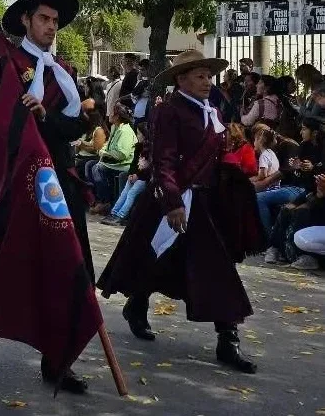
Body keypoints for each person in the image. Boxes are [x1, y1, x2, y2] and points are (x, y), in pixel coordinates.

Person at [98, 49, 264, 375]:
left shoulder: (213, 111)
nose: (207, 82)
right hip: (174, 200)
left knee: (215, 268)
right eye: (200, 76)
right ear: (181, 79)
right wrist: (172, 201)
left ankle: (227, 338)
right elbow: (164, 160)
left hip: (206, 203)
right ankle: (138, 303)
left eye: (208, 76)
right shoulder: (170, 111)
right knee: (157, 257)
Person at [0, 0, 97, 394]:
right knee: (8, 249)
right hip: (22, 176)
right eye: (44, 19)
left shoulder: (63, 70)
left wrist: (47, 120)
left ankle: (58, 358)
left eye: (55, 21)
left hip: (60, 176)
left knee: (70, 262)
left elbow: (79, 126)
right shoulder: (13, 65)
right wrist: (32, 127)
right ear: (26, 21)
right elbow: (5, 124)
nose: (50, 27)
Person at [264, 118, 323, 265]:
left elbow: (319, 170)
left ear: (314, 132)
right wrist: (298, 168)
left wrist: (313, 168)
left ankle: (300, 254)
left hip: (319, 193)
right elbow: (302, 176)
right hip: (309, 189)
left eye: (304, 129)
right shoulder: (304, 146)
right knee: (286, 209)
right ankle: (275, 247)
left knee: (301, 212)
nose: (301, 132)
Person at [88, 103, 137, 215]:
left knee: (98, 168)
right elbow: (108, 145)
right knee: (90, 164)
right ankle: (98, 199)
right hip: (113, 162)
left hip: (123, 164)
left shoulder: (125, 131)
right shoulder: (115, 128)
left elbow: (121, 154)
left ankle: (106, 201)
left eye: (112, 113)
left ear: (117, 116)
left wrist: (104, 153)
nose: (109, 114)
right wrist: (104, 151)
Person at [101, 123, 150, 227]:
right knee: (125, 192)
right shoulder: (138, 146)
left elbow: (149, 168)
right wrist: (131, 174)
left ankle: (121, 216)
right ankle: (113, 213)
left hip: (144, 178)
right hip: (135, 175)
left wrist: (138, 175)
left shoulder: (151, 149)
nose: (137, 136)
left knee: (132, 193)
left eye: (139, 134)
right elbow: (133, 163)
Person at [73, 109, 108, 181]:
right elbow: (77, 149)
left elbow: (95, 149)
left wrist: (81, 145)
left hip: (92, 157)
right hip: (80, 156)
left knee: (81, 164)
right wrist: (77, 144)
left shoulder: (99, 130)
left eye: (86, 118)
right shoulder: (86, 130)